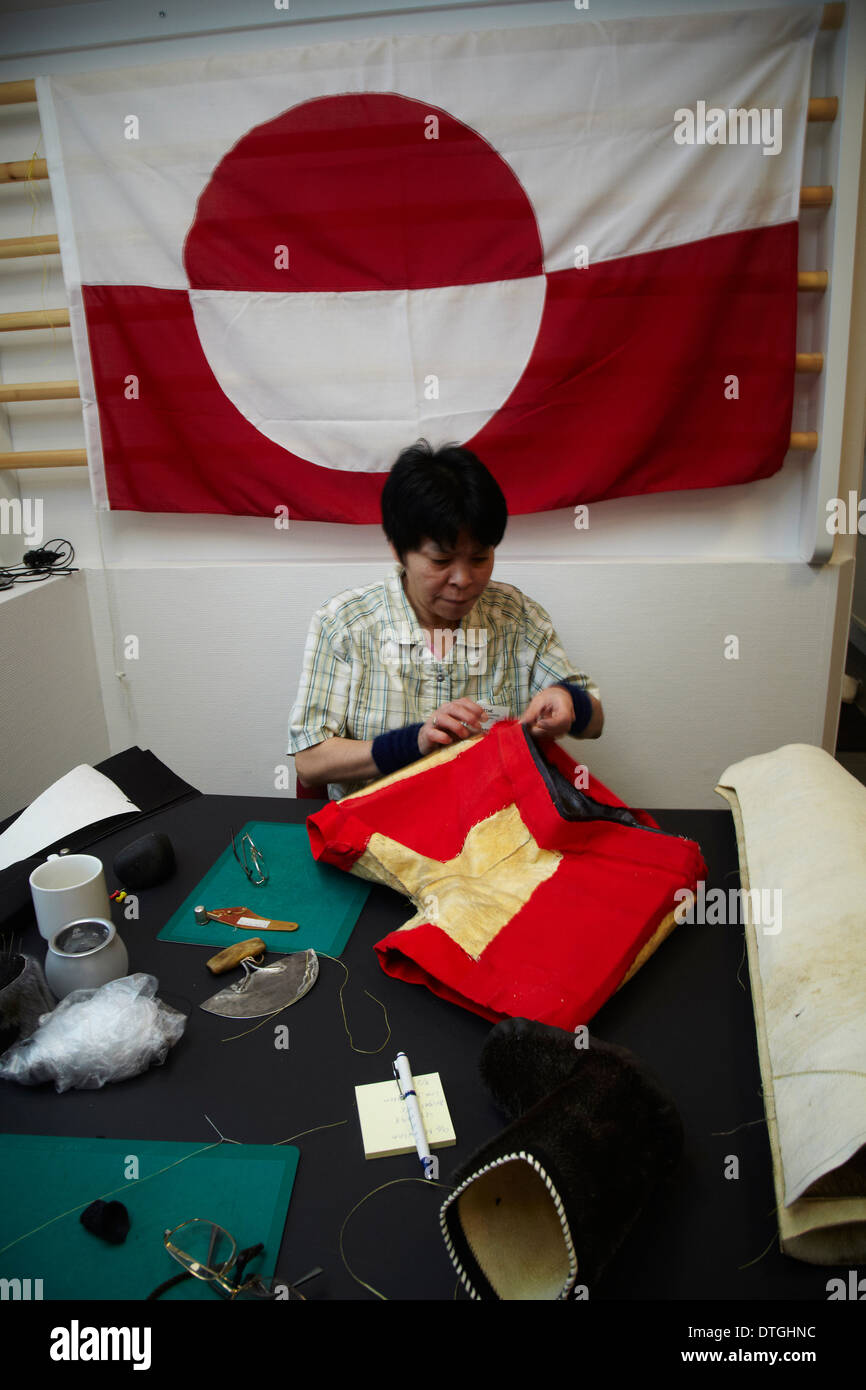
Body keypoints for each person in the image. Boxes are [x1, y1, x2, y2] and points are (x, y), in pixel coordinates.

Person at [288, 441, 603, 799]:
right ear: (398, 549)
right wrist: (416, 741)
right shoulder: (344, 625)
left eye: (480, 558)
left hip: (492, 835)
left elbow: (595, 721)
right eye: (441, 562)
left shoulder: (518, 616)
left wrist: (568, 702)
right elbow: (309, 763)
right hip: (374, 835)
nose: (463, 580)